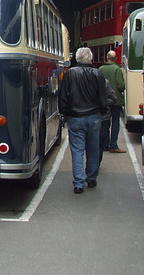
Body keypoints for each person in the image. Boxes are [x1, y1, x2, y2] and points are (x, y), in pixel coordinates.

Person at [59, 47, 108, 194]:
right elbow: (102, 97)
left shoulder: (70, 74)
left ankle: (79, 182)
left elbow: (64, 95)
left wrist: (64, 112)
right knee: (93, 148)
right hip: (94, 116)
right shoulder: (97, 74)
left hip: (75, 116)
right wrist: (103, 111)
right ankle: (91, 178)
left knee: (77, 149)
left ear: (77, 58)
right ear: (90, 58)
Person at [99, 50, 126, 153]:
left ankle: (105, 144)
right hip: (116, 100)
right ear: (115, 59)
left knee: (105, 122)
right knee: (115, 122)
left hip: (104, 100)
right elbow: (121, 85)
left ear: (107, 58)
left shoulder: (101, 69)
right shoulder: (117, 69)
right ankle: (113, 145)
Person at [99, 79, 118, 166]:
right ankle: (94, 164)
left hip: (103, 118)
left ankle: (95, 163)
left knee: (99, 141)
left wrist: (103, 103)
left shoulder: (105, 83)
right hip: (98, 117)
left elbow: (114, 98)